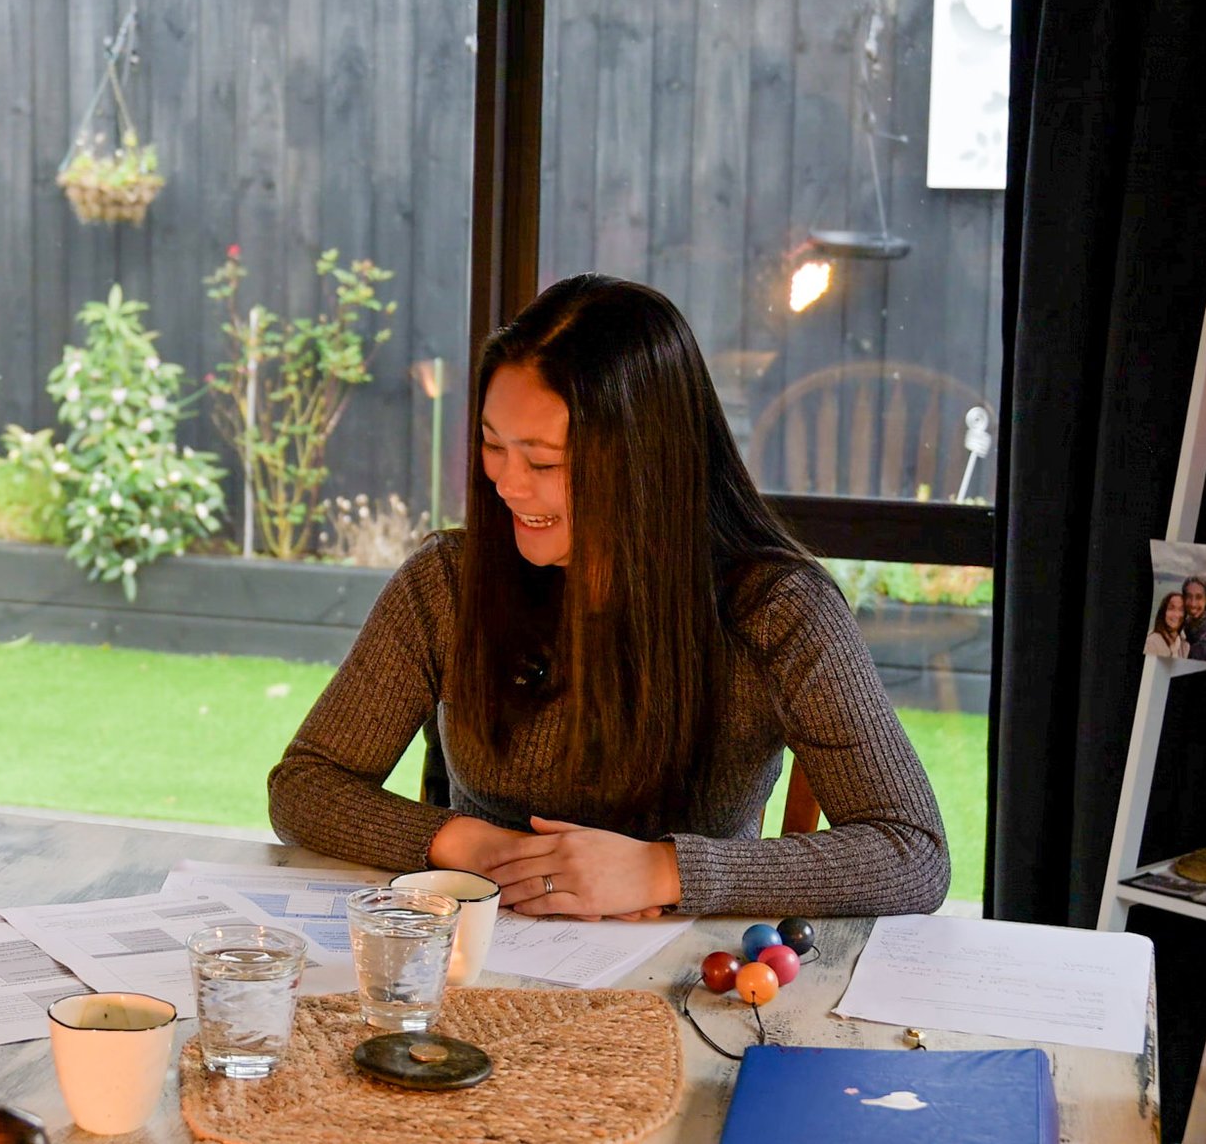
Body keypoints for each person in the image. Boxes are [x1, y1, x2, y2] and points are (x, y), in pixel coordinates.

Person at [268, 275, 947, 920]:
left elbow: (912, 850)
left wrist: (661, 871)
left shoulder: (775, 609)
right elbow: (306, 785)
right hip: (487, 945)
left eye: (544, 461)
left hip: (690, 968)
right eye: (493, 446)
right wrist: (474, 845)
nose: (508, 485)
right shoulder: (448, 580)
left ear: (647, 461)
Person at [1144, 591, 1191, 658]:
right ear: (1163, 612)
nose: (1176, 614)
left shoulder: (1185, 646)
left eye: (1181, 609)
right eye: (1171, 609)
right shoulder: (1151, 642)